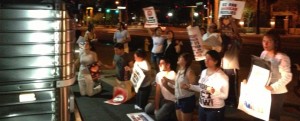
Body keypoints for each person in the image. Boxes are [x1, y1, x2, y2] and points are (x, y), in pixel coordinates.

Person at [182, 50, 229, 121]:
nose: (206, 61)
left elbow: (225, 95)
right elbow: (202, 88)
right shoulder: (204, 72)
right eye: (205, 58)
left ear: (216, 61)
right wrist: (190, 86)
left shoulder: (222, 76)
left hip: (214, 109)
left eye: (209, 59)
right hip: (202, 106)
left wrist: (214, 92)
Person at [259, 29, 292, 121]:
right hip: (264, 90)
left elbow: (287, 76)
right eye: (264, 41)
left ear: (275, 43)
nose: (265, 44)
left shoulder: (282, 57)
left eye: (269, 41)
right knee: (260, 115)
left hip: (276, 93)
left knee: (272, 117)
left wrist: (273, 87)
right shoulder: (263, 54)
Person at [162, 53, 196, 121]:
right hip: (178, 99)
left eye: (180, 57)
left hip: (187, 100)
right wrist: (168, 80)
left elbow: (194, 88)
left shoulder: (190, 72)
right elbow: (177, 84)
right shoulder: (180, 70)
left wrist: (187, 87)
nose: (178, 58)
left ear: (185, 61)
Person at [219, 16, 243, 107]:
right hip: (222, 65)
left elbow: (238, 39)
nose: (226, 31)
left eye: (229, 29)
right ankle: (227, 100)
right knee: (224, 84)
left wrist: (233, 23)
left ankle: (233, 101)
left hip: (232, 66)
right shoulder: (221, 39)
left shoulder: (235, 41)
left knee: (232, 84)